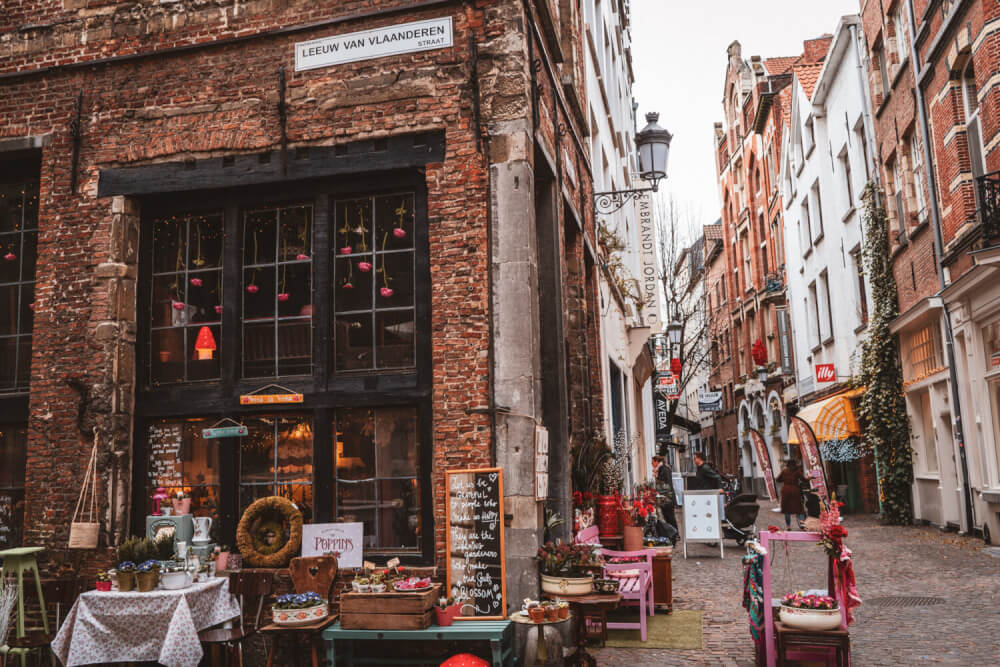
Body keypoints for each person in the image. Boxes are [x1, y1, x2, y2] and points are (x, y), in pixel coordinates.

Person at [776, 458, 808, 529]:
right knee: (799, 508)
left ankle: (788, 526)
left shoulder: (784, 471)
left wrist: (784, 480)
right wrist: (809, 478)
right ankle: (802, 522)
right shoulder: (797, 471)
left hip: (786, 490)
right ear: (795, 464)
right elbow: (804, 479)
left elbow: (778, 479)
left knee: (787, 509)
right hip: (795, 490)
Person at [653, 455, 678, 532]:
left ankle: (675, 534)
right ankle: (673, 534)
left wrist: (657, 478)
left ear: (657, 462)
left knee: (670, 517)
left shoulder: (664, 469)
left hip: (668, 498)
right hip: (665, 498)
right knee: (668, 517)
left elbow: (667, 484)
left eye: (652, 462)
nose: (652, 464)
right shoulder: (661, 469)